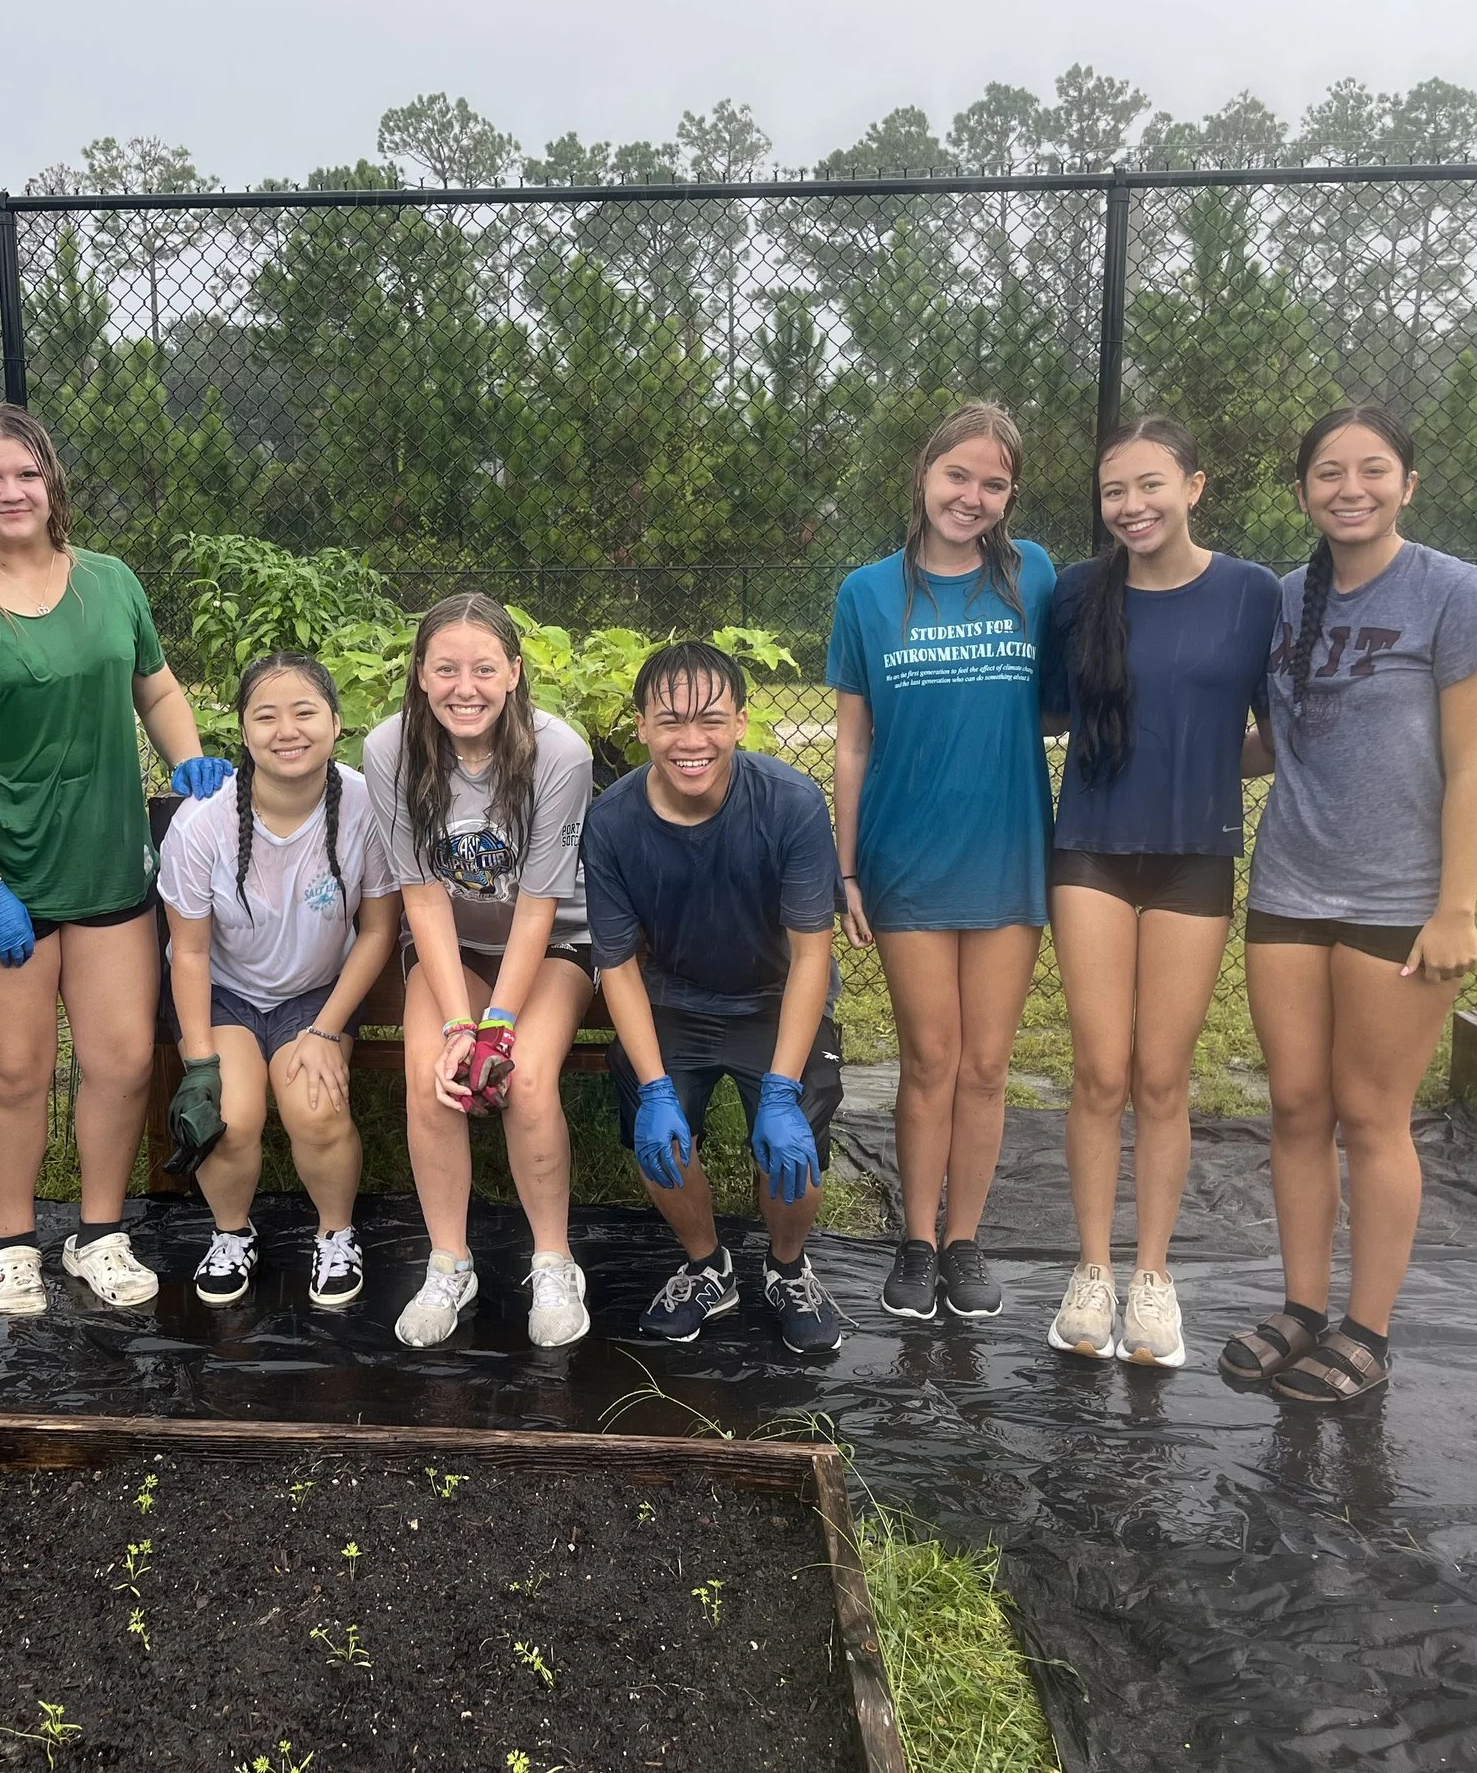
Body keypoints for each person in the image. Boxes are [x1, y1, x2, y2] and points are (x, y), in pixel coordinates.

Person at [0, 404, 230, 1318]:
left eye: (27, 472)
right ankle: (12, 1243)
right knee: (16, 1070)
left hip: (107, 865)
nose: (12, 491)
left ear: (52, 481)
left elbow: (156, 685)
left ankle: (99, 1233)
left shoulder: (111, 582)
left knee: (121, 1062)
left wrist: (187, 757)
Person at [1219, 406, 1477, 1405]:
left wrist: (1456, 906)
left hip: (1399, 900)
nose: (1350, 489)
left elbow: (1471, 768)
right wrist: (1149, 749)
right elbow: (1273, 747)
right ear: (1303, 490)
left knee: (1372, 1115)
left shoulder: (1453, 594)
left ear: (1407, 484)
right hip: (1289, 887)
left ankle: (1367, 1330)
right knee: (1297, 1106)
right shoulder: (1283, 601)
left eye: (1372, 470)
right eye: (1329, 473)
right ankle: (1302, 1309)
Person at [1040, 417, 1282, 1367]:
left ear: (1195, 486)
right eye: (1114, 491)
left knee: (1162, 1078)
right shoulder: (1076, 593)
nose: (1132, 506)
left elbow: (1271, 735)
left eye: (1150, 485)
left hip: (1194, 856)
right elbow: (1049, 709)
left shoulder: (1252, 593)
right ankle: (1092, 1270)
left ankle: (1152, 1275)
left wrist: (1208, 763)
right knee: (1101, 1070)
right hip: (1092, 852)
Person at [829, 401, 1058, 1325]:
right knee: (930, 1057)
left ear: (1010, 496)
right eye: (957, 474)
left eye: (994, 483)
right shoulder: (866, 593)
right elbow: (852, 743)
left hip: (1009, 852)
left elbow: (1062, 698)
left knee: (987, 1064)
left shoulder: (1034, 575)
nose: (972, 496)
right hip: (908, 857)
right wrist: (847, 869)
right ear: (924, 475)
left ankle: (965, 1240)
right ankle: (916, 1241)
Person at [585, 642, 850, 1354]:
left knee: (793, 1151)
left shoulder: (791, 802)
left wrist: (784, 1088)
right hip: (676, 998)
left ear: (740, 721)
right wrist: (655, 1087)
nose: (691, 740)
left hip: (777, 998)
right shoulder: (611, 821)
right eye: (671, 720)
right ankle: (708, 1266)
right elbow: (617, 965)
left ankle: (788, 1268)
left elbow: (812, 955)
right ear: (642, 726)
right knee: (662, 1138)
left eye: (710, 719)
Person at [363, 594, 597, 1349]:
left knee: (524, 1077)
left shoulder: (561, 753)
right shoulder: (389, 749)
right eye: (446, 669)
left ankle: (554, 1261)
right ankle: (449, 1264)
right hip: (450, 945)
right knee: (434, 1070)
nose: (465, 688)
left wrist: (497, 1027)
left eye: (485, 669)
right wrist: (462, 1026)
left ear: (515, 672)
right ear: (420, 674)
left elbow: (539, 905)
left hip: (553, 940)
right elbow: (423, 896)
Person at [159, 652, 400, 1309]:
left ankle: (336, 1233)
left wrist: (325, 1030)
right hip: (225, 993)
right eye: (266, 716)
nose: (286, 730)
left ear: (336, 722)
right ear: (243, 729)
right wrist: (200, 1063)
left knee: (316, 1111)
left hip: (318, 994)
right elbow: (189, 951)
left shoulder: (365, 807)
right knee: (227, 1117)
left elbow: (377, 931)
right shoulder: (202, 823)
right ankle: (231, 1233)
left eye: (304, 712)